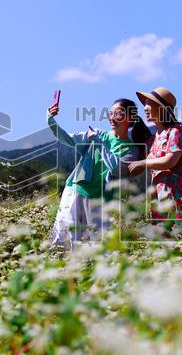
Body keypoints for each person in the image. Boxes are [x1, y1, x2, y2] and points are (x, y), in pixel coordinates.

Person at [47, 97, 151, 248]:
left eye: (118, 113)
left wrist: (99, 141)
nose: (112, 117)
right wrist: (50, 119)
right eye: (110, 113)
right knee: (63, 239)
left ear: (130, 118)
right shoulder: (98, 134)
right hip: (75, 191)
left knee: (95, 245)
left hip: (99, 201)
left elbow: (116, 168)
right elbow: (67, 138)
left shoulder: (131, 150)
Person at [125, 86, 182, 241]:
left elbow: (170, 160)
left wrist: (143, 163)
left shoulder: (176, 131)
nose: (145, 108)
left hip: (180, 193)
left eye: (149, 103)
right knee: (166, 242)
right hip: (160, 196)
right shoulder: (152, 140)